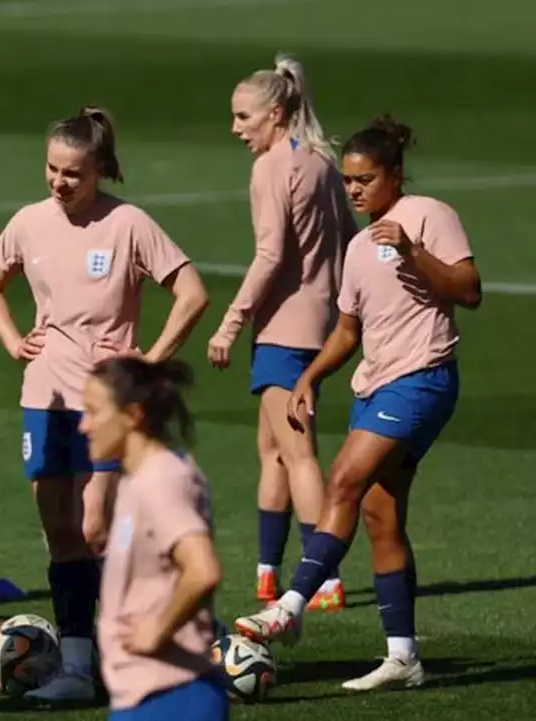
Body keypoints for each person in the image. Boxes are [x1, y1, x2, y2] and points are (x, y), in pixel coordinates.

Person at [234, 116, 482, 691]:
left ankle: (290, 606)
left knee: (341, 477)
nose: (353, 190)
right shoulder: (358, 244)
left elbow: (469, 290)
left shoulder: (430, 216)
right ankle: (404, 657)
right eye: (347, 181)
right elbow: (348, 330)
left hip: (422, 379)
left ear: (394, 175)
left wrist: (415, 253)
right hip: (374, 385)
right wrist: (308, 377)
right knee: (378, 513)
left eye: (365, 179)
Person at [0, 106, 209, 703]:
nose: (59, 182)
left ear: (99, 169)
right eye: (52, 169)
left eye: (72, 173)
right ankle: (81, 664)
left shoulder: (128, 224)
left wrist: (149, 362)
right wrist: (10, 339)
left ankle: (140, 645)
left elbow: (191, 292)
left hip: (108, 408)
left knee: (95, 526)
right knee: (60, 531)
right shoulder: (29, 222)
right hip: (44, 396)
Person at [207, 53, 357, 611]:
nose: (235, 129)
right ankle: (268, 573)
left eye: (243, 117)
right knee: (271, 450)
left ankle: (324, 578)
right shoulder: (320, 161)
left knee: (297, 454)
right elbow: (348, 237)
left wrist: (231, 321)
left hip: (283, 328)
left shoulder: (272, 167)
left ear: (274, 112)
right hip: (315, 323)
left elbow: (269, 255)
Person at [82, 358, 226, 721]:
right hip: (147, 695)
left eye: (93, 412)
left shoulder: (161, 480)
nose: (83, 426)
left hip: (171, 697)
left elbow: (203, 570)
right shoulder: (136, 479)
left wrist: (157, 629)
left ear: (132, 416)